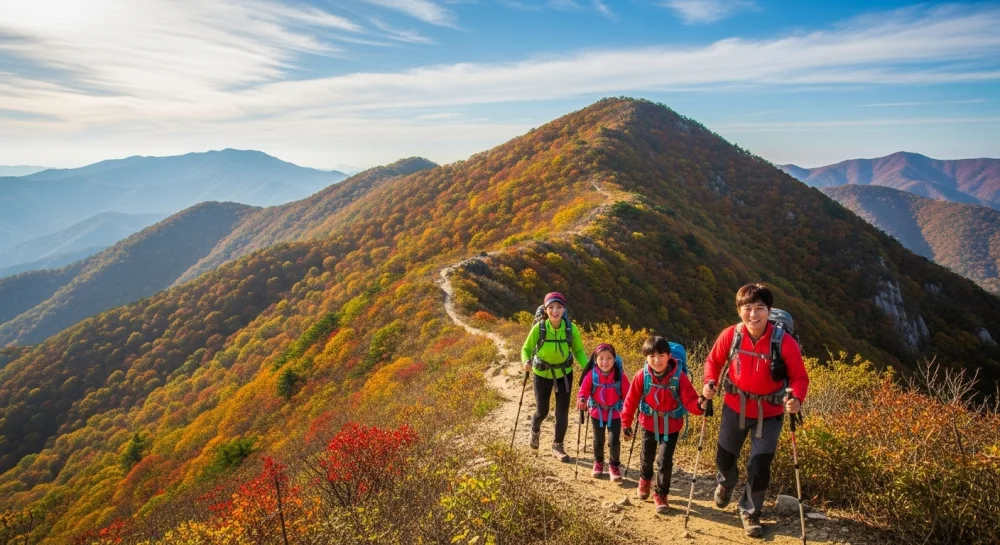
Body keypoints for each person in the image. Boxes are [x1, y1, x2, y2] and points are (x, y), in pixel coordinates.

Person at [702, 283, 809, 538]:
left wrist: (797, 400)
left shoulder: (783, 342)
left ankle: (750, 510)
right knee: (724, 458)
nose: (753, 314)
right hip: (734, 407)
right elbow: (713, 361)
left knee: (760, 465)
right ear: (739, 310)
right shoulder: (731, 335)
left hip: (769, 413)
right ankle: (726, 483)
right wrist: (709, 382)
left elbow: (799, 379)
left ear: (768, 310)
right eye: (747, 308)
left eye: (759, 308)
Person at [621, 336, 703, 514]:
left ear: (669, 356)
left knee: (665, 462)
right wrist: (626, 423)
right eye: (652, 356)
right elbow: (631, 400)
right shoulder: (641, 376)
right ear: (646, 358)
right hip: (648, 423)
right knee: (647, 457)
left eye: (661, 355)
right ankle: (644, 479)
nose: (656, 361)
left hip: (671, 426)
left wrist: (700, 406)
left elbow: (690, 399)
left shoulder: (679, 377)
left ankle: (660, 494)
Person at [521, 292, 588, 461]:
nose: (555, 311)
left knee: (562, 413)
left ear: (564, 309)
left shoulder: (570, 328)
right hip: (541, 374)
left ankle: (558, 446)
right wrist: (526, 361)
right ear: (545, 309)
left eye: (558, 307)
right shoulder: (540, 327)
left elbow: (578, 350)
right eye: (551, 307)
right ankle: (535, 429)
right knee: (542, 411)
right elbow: (526, 349)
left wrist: (588, 368)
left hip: (564, 374)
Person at [577, 343, 630, 482]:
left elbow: (628, 395)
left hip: (615, 413)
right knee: (598, 440)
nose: (605, 362)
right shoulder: (591, 375)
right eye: (601, 358)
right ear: (595, 359)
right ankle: (598, 463)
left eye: (609, 358)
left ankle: (614, 466)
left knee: (614, 441)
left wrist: (629, 413)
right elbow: (583, 391)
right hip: (596, 412)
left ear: (614, 359)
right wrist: (581, 399)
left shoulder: (619, 375)